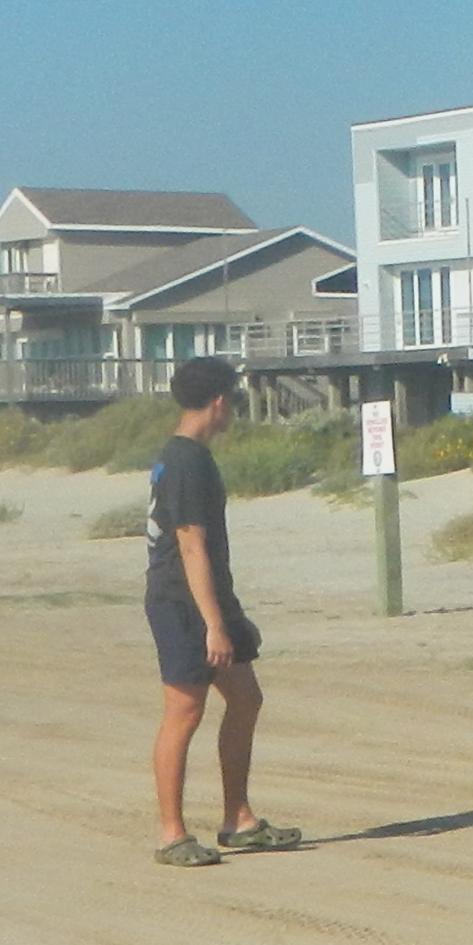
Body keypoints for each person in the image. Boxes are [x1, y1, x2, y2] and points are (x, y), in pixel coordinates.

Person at [142, 356, 295, 865]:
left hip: (208, 599)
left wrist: (230, 614)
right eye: (234, 399)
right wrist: (213, 624)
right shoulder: (184, 460)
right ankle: (171, 833)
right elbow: (190, 546)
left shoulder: (189, 455)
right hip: (181, 602)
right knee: (183, 712)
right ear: (219, 401)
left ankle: (238, 819)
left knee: (245, 698)